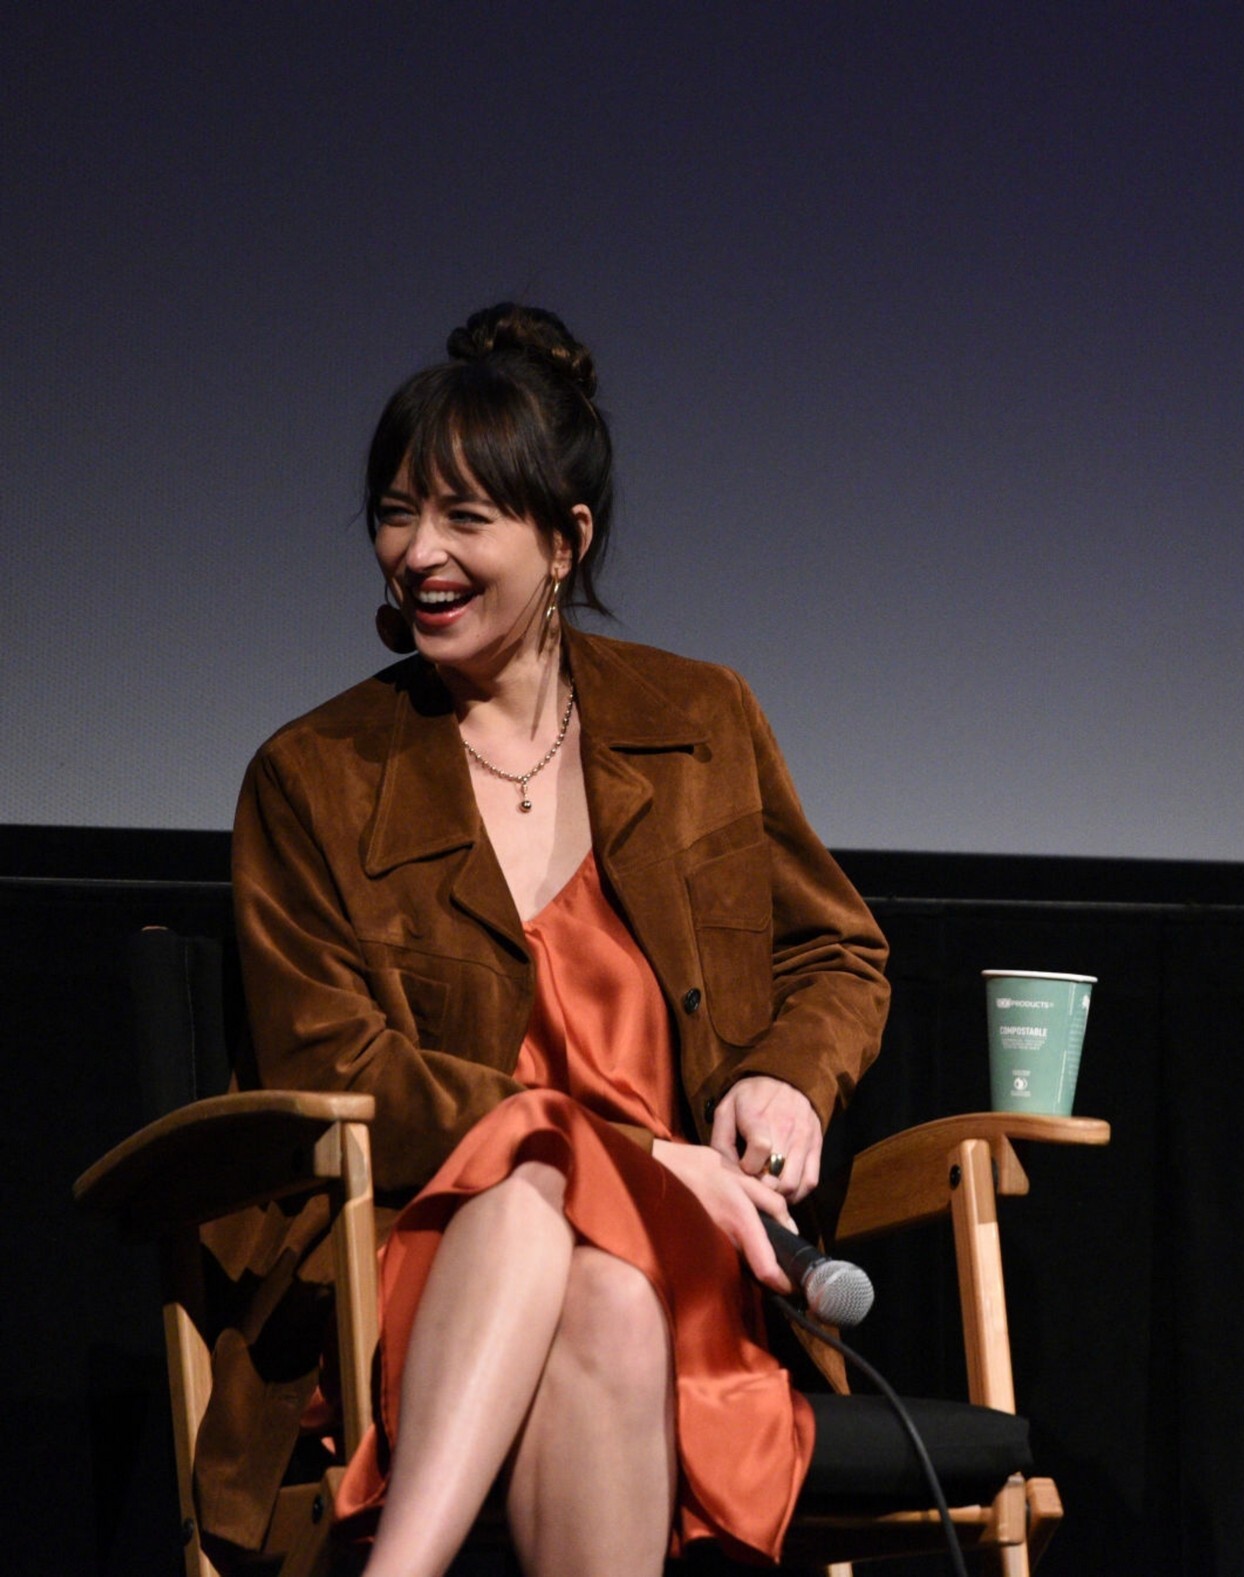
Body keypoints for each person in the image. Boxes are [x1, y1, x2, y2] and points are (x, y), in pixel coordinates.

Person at [210, 304, 889, 1576]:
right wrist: (625, 1154)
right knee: (533, 1198)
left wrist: (788, 1079)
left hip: (687, 1254)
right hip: (426, 1255)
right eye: (395, 513)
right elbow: (336, 1062)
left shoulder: (700, 721)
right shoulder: (315, 776)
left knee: (611, 1280)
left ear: (564, 540)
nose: (418, 552)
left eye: (464, 518)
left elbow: (837, 954)